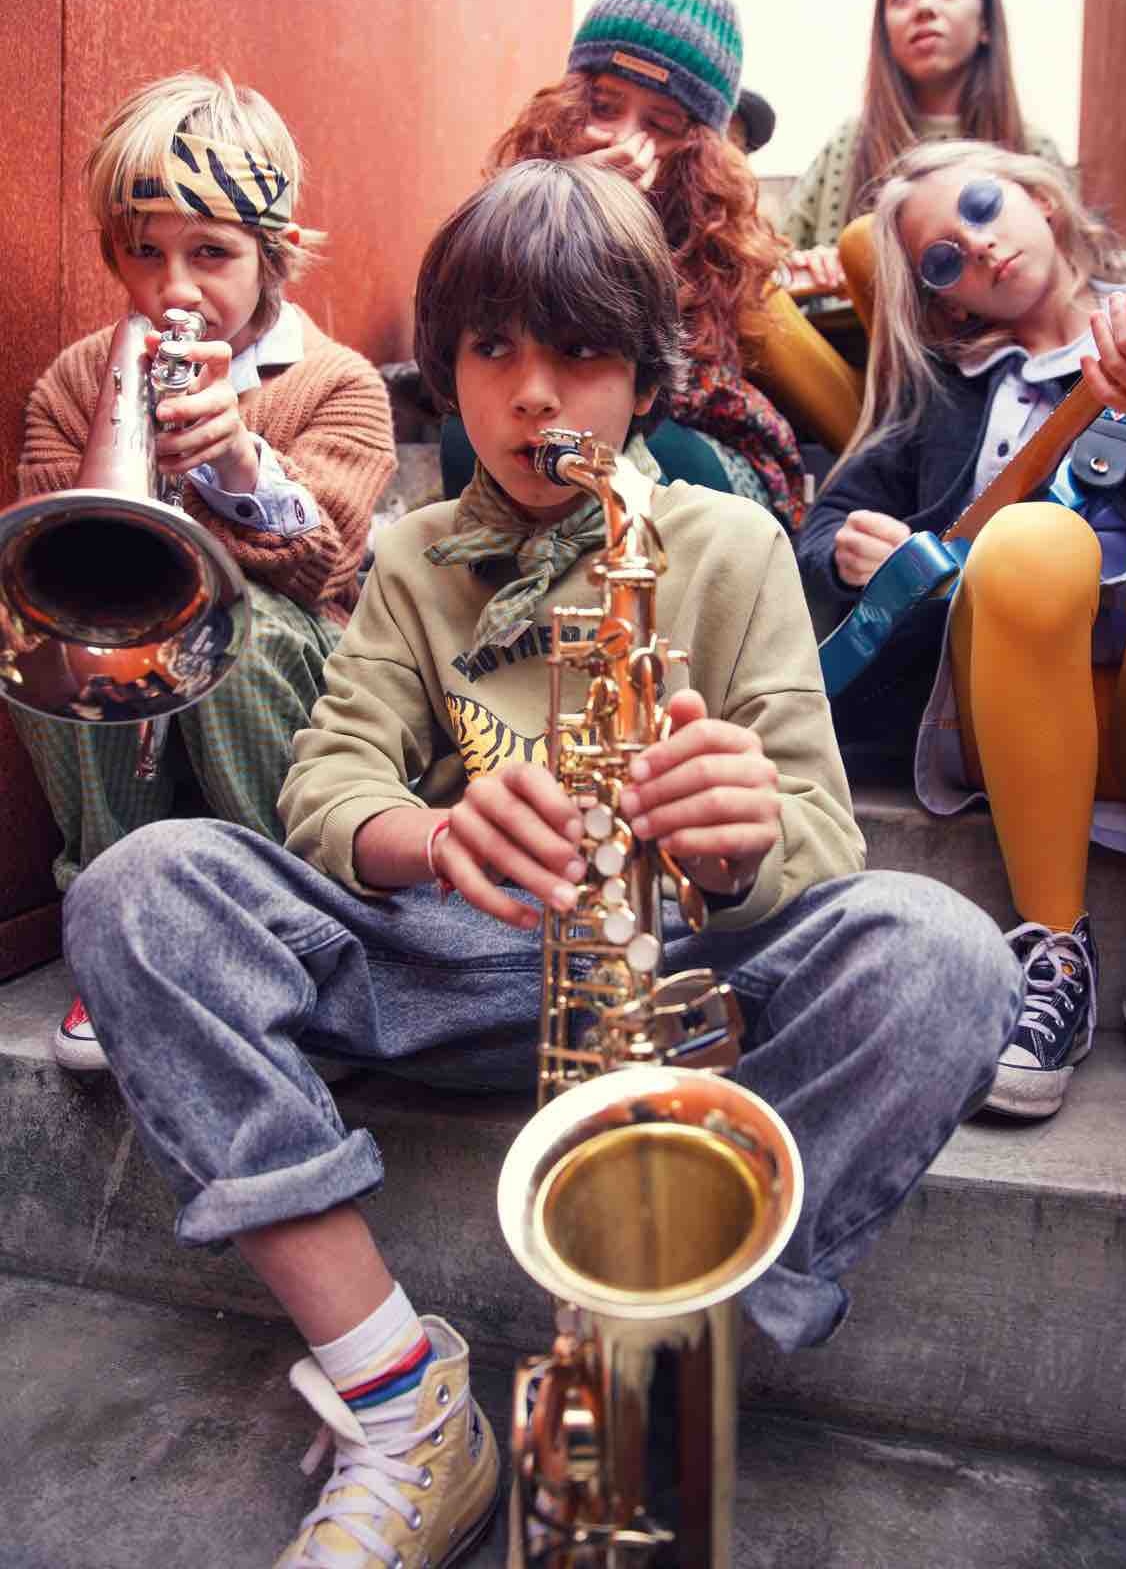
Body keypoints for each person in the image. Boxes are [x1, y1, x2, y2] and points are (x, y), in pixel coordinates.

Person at [62, 159, 1020, 1567]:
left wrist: (738, 838)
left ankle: (652, 1362)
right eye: (492, 350)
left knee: (945, 954)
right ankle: (400, 1405)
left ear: (644, 377)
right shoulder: (414, 556)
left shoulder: (730, 543)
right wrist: (436, 835)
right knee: (139, 890)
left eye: (579, 355)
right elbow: (326, 787)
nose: (531, 397)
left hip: (673, 978)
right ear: (445, 369)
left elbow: (822, 834)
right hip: (450, 959)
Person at [797, 138, 1126, 1131]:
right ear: (946, 302)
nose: (974, 247)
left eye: (980, 208)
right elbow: (823, 520)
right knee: (1028, 542)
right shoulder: (949, 390)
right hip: (1003, 714)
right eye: (942, 259)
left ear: (1038, 199)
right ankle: (1052, 943)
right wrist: (850, 546)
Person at [14, 71, 397, 1071]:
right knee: (55, 637)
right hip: (139, 696)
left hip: (276, 690)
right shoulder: (73, 380)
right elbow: (46, 555)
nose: (175, 288)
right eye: (145, 253)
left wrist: (237, 465)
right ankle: (115, 929)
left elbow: (327, 563)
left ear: (275, 253)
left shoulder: (338, 383)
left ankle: (288, 931)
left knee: (238, 630)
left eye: (211, 254)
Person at [487, 0, 865, 497]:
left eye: (659, 124)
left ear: (699, 151)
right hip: (550, 420)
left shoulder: (717, 242)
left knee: (634, 446)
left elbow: (656, 386)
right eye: (604, 107)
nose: (623, 138)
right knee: (474, 434)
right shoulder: (513, 204)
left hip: (692, 445)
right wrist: (557, 205)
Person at [783, 0, 1064, 308]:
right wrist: (809, 265)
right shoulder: (848, 143)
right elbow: (773, 269)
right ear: (885, 32)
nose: (925, 7)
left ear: (985, 23)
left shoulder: (1034, 148)